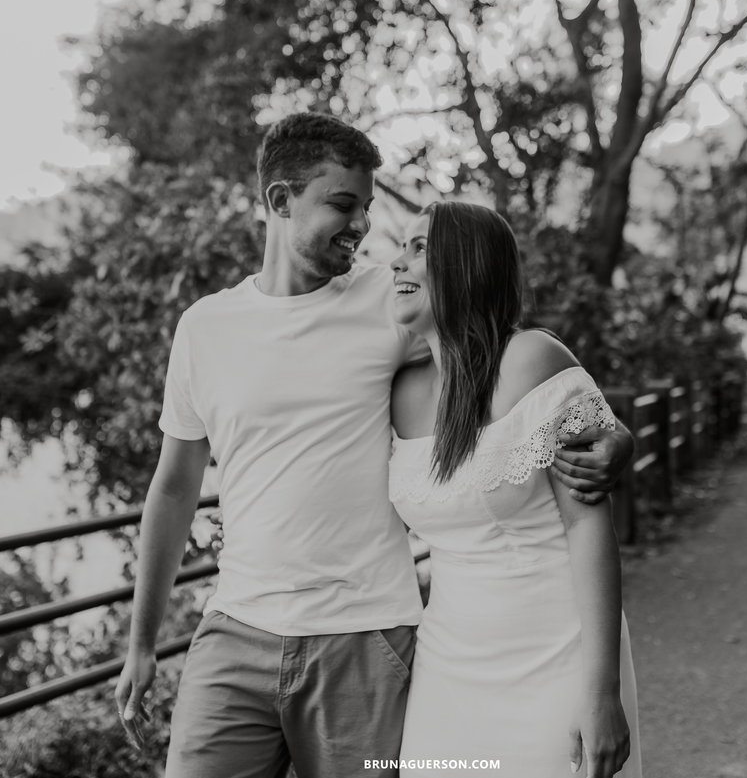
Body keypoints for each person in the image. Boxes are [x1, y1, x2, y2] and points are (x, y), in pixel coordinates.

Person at [112, 112, 636, 778]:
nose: (363, 227)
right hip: (240, 625)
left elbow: (496, 353)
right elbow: (174, 487)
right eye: (343, 204)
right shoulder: (204, 328)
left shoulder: (389, 300)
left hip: (367, 633)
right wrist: (141, 641)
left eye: (366, 206)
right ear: (280, 199)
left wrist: (613, 434)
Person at [388, 201, 642, 778]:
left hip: (557, 658)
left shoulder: (532, 359)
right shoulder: (399, 391)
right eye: (400, 248)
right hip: (447, 666)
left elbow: (588, 525)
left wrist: (601, 692)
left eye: (419, 247)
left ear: (467, 264)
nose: (397, 263)